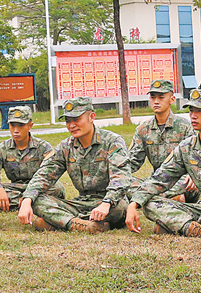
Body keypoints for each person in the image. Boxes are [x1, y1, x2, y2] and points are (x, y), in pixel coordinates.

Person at [125, 88, 201, 241]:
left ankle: (178, 224)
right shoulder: (186, 147)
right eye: (191, 110)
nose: (193, 116)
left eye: (199, 111)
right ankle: (196, 230)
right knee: (151, 204)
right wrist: (134, 203)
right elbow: (161, 177)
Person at [18, 96, 134, 233]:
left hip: (108, 203)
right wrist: (27, 200)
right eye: (68, 121)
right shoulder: (65, 146)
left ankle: (58, 222)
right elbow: (44, 174)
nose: (71, 125)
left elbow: (121, 177)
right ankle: (80, 224)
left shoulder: (112, 141)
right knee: (36, 200)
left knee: (119, 207)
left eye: (76, 119)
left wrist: (106, 203)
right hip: (80, 203)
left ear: (92, 117)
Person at [129, 79, 196, 202]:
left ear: (172, 99)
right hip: (156, 181)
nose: (156, 101)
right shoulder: (143, 129)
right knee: (125, 182)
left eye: (161, 97)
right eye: (153, 97)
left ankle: (151, 197)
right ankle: (163, 198)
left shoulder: (185, 127)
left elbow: (195, 159)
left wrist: (194, 175)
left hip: (180, 180)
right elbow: (132, 161)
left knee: (192, 181)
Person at [0, 105, 62, 211]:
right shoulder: (1, 148)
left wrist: (32, 192)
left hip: (38, 186)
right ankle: (34, 202)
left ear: (30, 125)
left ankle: (19, 202)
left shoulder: (43, 147)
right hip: (15, 187)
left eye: (20, 125)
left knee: (57, 189)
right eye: (12, 125)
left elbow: (50, 174)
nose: (16, 130)